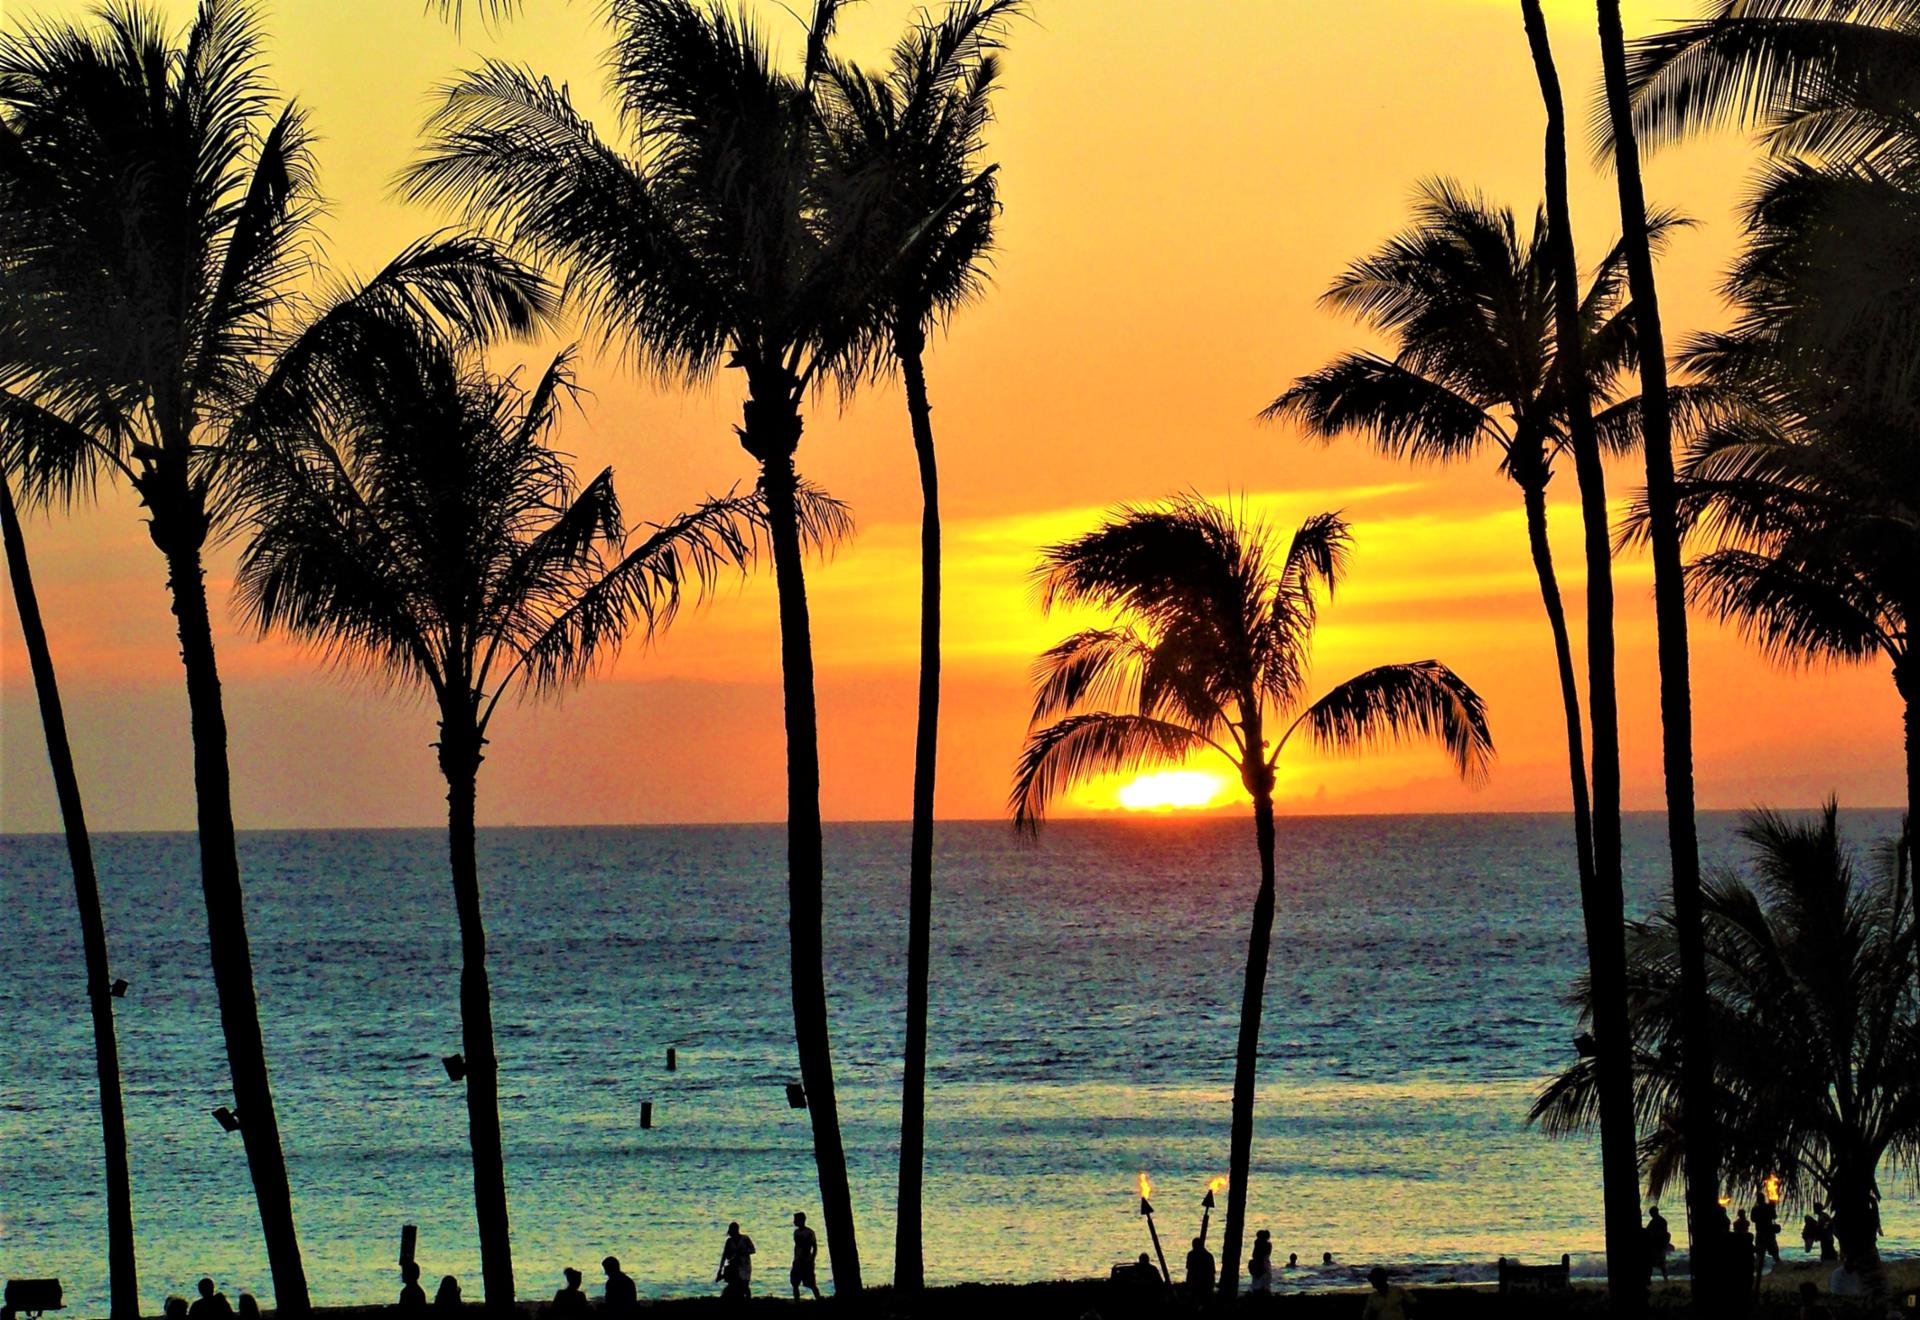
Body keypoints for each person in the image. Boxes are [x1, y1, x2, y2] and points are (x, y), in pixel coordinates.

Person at [717, 1222, 755, 1301]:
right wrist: (720, 1269)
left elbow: (753, 1250)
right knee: (735, 1284)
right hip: (734, 1265)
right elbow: (724, 1256)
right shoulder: (729, 1242)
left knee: (745, 1284)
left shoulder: (745, 1239)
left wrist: (743, 1253)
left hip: (745, 1265)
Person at [790, 1212, 820, 1301]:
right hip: (797, 1260)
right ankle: (797, 1301)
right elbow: (797, 1247)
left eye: (796, 1220)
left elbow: (814, 1247)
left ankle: (818, 1299)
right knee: (795, 1283)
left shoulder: (809, 1232)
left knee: (811, 1283)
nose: (794, 1222)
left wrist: (812, 1260)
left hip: (806, 1261)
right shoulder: (796, 1232)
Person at [1644, 1205, 1671, 1282]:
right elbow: (1648, 1230)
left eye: (1651, 1213)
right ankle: (1650, 1279)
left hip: (1659, 1245)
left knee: (1658, 1263)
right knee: (1654, 1263)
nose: (1651, 1215)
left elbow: (1662, 1233)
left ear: (1655, 1212)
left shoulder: (1661, 1221)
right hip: (1656, 1245)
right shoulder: (1654, 1221)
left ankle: (1664, 1279)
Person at [1248, 1230, 1274, 1295]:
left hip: (1261, 1265)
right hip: (1264, 1265)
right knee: (1263, 1285)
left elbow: (1255, 1255)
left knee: (1258, 1284)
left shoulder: (1260, 1244)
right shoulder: (1266, 1245)